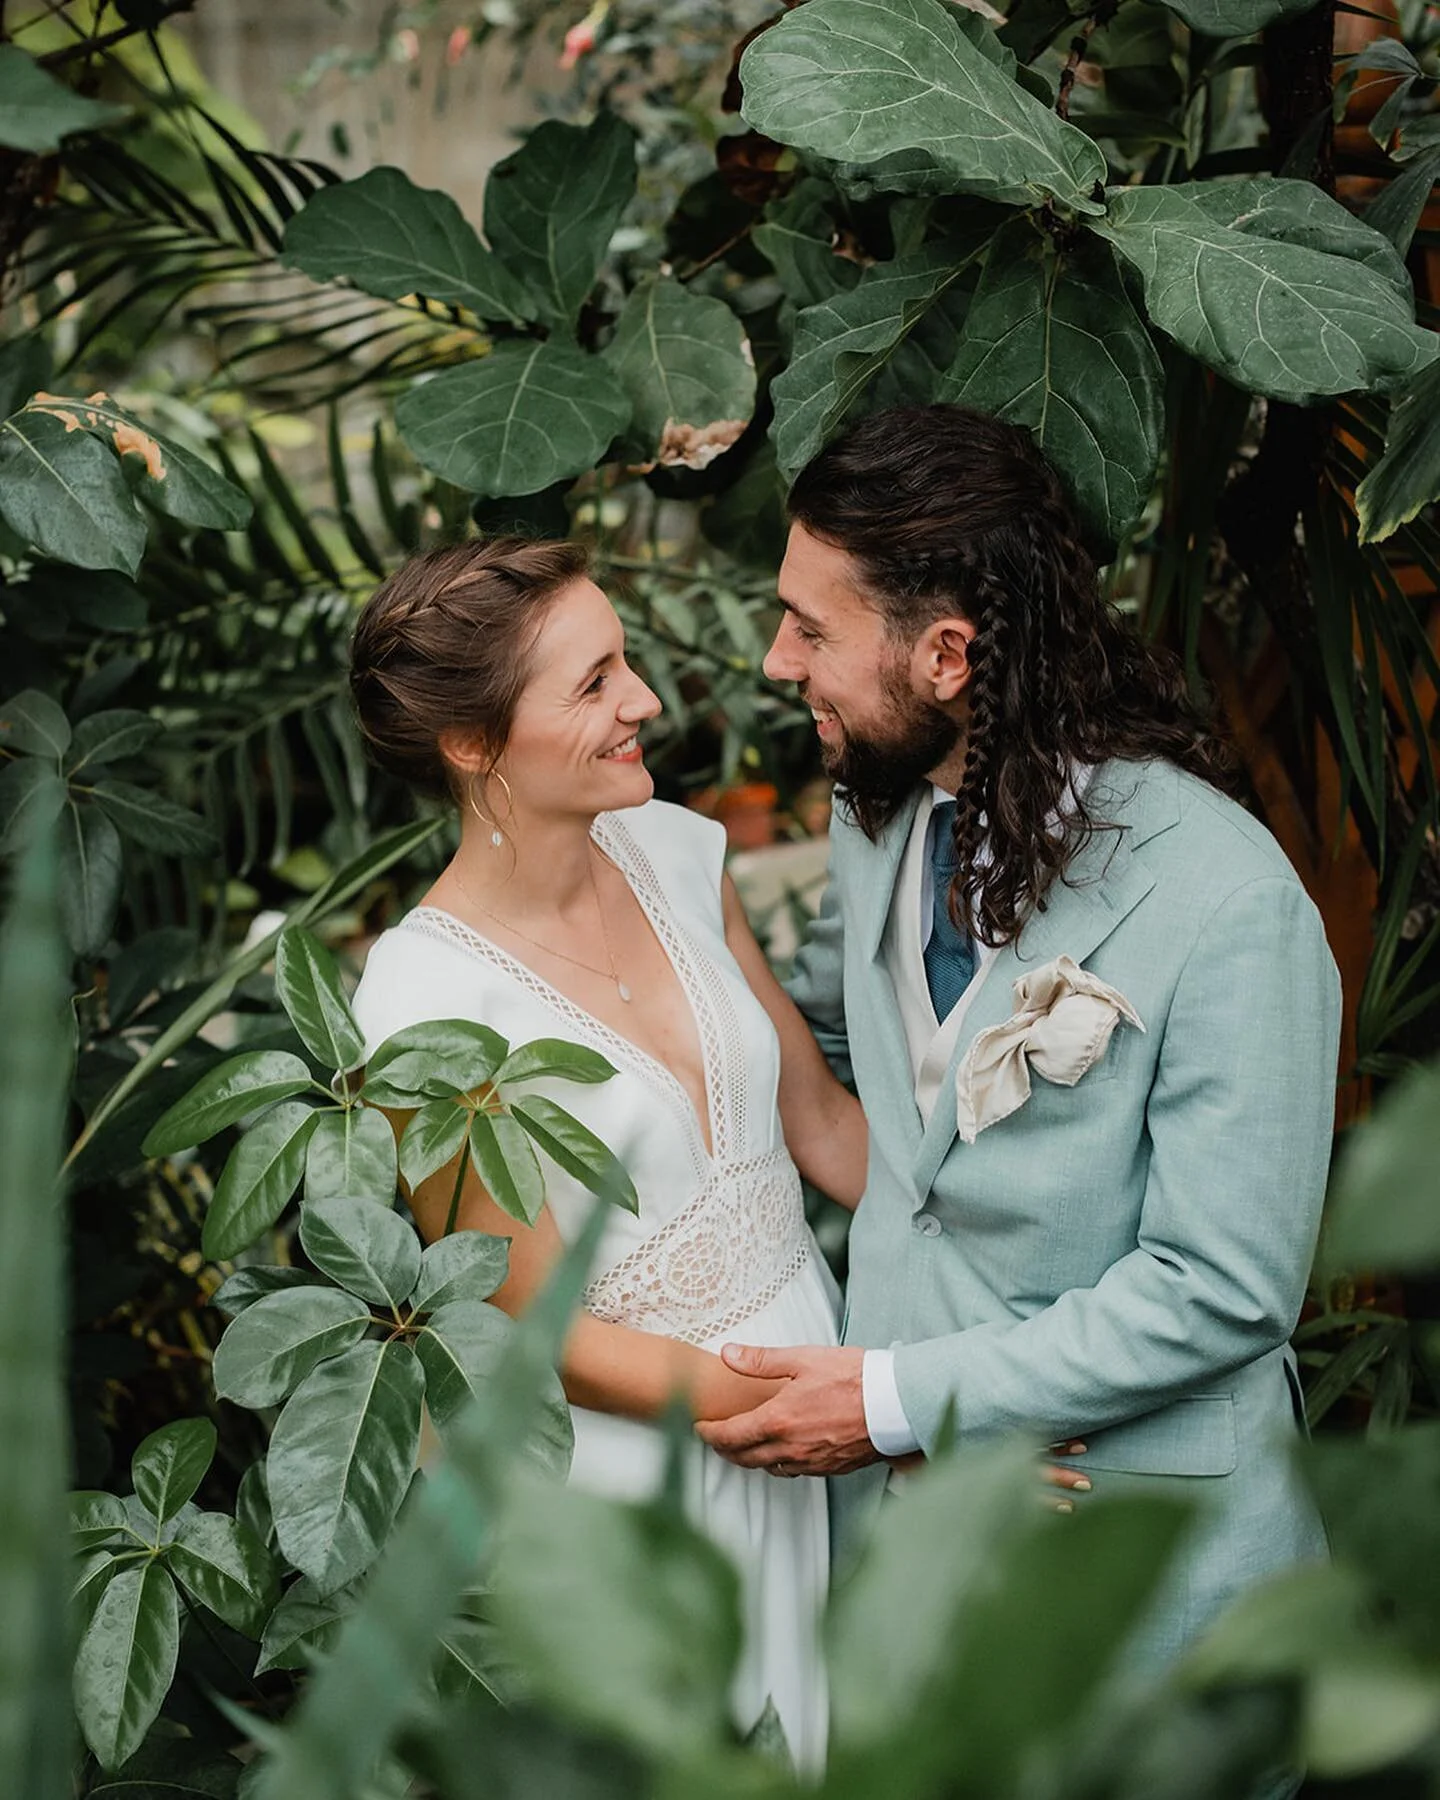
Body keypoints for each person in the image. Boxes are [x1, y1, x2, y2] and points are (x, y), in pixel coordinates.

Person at [697, 404, 1341, 1673]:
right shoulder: (878, 811)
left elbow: (1224, 1286)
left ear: (947, 655)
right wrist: (662, 902)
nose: (779, 661)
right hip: (908, 1563)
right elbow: (848, 1070)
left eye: (811, 629)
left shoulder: (1230, 899)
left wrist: (895, 1402)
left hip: (1148, 1582)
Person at [343, 537, 867, 1769]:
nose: (645, 700)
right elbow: (531, 1330)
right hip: (656, 1483)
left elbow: (824, 1124)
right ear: (474, 746)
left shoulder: (681, 852)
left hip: (829, 1403)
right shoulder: (421, 1007)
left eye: (624, 661)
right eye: (591, 684)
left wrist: (979, 1346)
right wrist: (862, 1405)